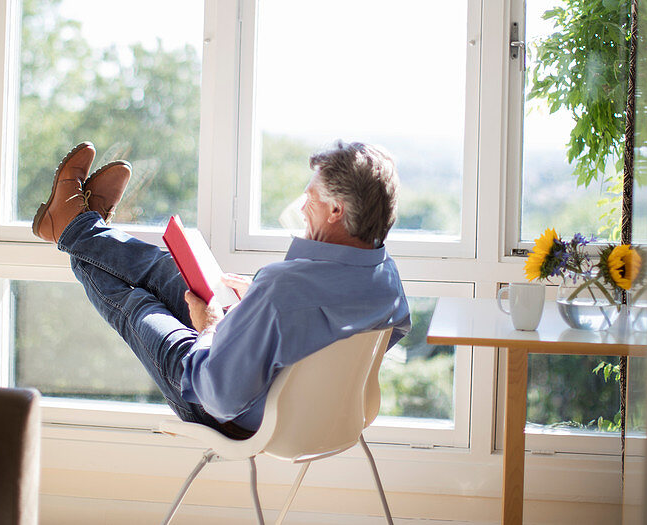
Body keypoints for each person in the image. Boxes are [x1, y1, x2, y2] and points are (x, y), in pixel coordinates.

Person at [32, 140, 411, 440]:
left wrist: (210, 327)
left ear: (335, 212)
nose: (303, 208)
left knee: (137, 303)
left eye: (310, 199)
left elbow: (221, 395)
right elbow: (356, 334)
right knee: (170, 268)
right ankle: (78, 225)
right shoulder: (386, 280)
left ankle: (73, 226)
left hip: (225, 407)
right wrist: (266, 308)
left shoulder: (283, 290)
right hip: (321, 414)